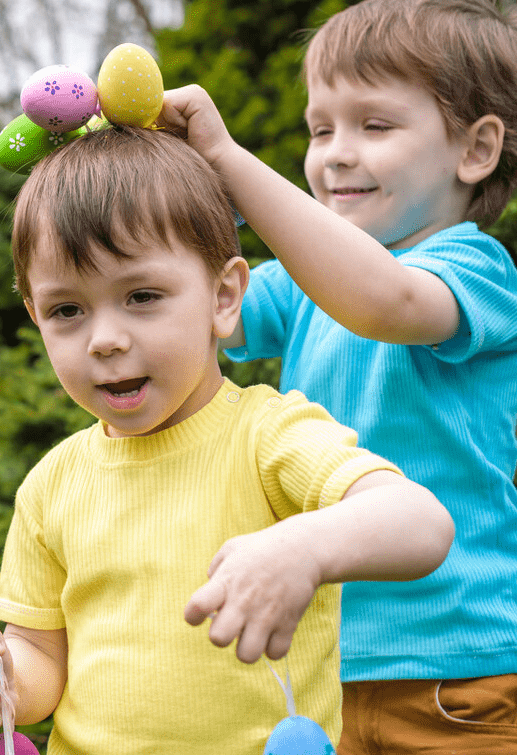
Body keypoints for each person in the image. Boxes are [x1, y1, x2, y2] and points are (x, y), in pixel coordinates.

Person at [0, 125, 454, 754]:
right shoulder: (53, 483)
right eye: (67, 311)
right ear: (35, 317)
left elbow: (422, 524)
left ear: (224, 295)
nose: (104, 339)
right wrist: (6, 679)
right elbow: (45, 662)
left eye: (141, 296)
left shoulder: (269, 437)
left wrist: (305, 549)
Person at [156, 0, 517, 752]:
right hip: (324, 668)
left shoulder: (473, 270)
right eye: (320, 129)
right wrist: (142, 185)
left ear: (475, 149)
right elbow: (190, 314)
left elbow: (381, 300)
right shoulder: (300, 290)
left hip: (459, 677)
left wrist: (228, 159)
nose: (333, 154)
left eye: (373, 125)